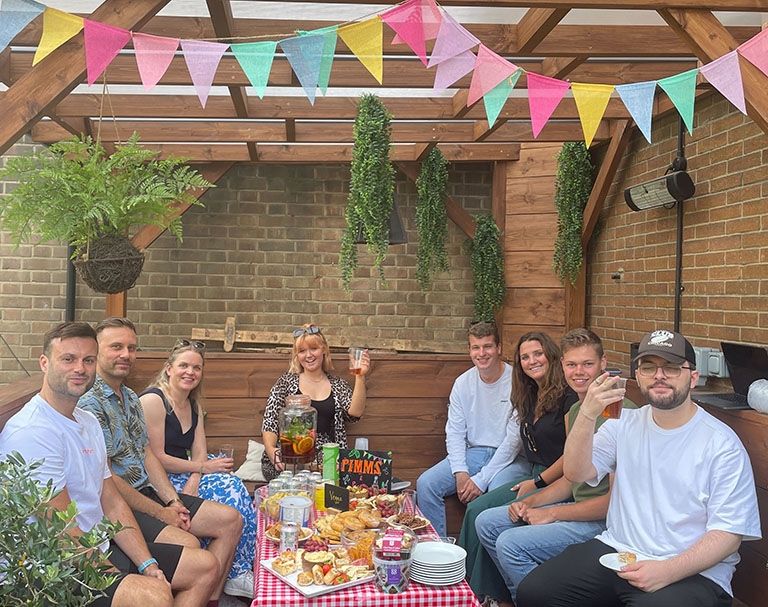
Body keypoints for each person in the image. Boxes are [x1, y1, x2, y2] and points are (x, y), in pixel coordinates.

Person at [517, 329, 761, 607]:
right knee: (534, 592)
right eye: (648, 367)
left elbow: (728, 536)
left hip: (692, 571)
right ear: (638, 376)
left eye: (671, 367)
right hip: (619, 551)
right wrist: (587, 413)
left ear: (692, 377)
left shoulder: (721, 444)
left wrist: (667, 571)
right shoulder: (623, 423)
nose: (659, 375)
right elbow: (576, 473)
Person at [0, 322, 219, 607]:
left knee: (205, 566)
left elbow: (111, 500)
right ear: (44, 363)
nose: (80, 368)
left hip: (98, 544)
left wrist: (148, 565)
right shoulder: (33, 431)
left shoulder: (86, 421)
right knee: (154, 596)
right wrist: (118, 581)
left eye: (88, 360)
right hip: (51, 567)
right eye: (68, 359)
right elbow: (62, 530)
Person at [78, 318, 242, 607]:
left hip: (150, 491)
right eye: (116, 347)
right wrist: (161, 511)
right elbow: (106, 481)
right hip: (121, 503)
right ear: (95, 351)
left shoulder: (129, 397)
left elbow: (146, 453)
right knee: (189, 543)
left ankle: (208, 600)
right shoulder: (88, 404)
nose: (125, 354)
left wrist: (171, 502)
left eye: (131, 347)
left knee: (230, 520)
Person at [475, 328, 636, 605]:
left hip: (604, 523)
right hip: (578, 507)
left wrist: (552, 513)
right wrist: (531, 501)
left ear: (603, 363)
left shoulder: (621, 413)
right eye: (572, 364)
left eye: (588, 364)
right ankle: (523, 598)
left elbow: (614, 504)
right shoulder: (576, 411)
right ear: (562, 365)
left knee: (509, 544)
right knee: (486, 521)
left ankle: (542, 597)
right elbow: (572, 479)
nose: (579, 372)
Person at [459, 331, 579, 600]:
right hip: (532, 473)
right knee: (476, 508)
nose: (531, 361)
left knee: (492, 521)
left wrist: (538, 483)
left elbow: (572, 458)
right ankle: (462, 583)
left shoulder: (569, 397)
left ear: (551, 355)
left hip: (558, 481)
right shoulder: (529, 393)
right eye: (525, 357)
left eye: (537, 354)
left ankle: (488, 594)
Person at [139, 340, 257, 599]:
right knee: (230, 489)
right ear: (169, 369)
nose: (190, 372)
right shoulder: (153, 400)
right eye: (184, 366)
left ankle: (230, 577)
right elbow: (156, 456)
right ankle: (234, 573)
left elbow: (200, 450)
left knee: (232, 483)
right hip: (160, 480)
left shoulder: (193, 404)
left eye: (196, 368)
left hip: (186, 471)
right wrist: (202, 467)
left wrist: (196, 476)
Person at [416, 321, 530, 537]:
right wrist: (461, 472)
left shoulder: (517, 381)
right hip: (475, 453)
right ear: (469, 350)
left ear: (499, 348)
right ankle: (438, 553)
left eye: (487, 346)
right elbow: (455, 432)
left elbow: (513, 441)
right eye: (475, 347)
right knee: (426, 484)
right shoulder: (462, 383)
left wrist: (480, 479)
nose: (482, 353)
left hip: (513, 458)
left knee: (495, 492)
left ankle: (481, 564)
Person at [261, 324, 370, 480]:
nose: (308, 355)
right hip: (290, 455)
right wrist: (271, 451)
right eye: (302, 351)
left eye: (313, 348)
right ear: (296, 355)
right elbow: (270, 420)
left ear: (324, 350)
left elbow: (355, 413)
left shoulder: (337, 384)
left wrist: (360, 376)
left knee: (327, 476)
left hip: (326, 458)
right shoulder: (286, 382)